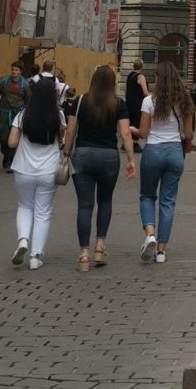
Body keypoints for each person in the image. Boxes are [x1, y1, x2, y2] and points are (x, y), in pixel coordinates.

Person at [69, 67, 134, 271]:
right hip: (108, 156)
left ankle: (83, 255)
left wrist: (65, 152)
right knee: (105, 200)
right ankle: (100, 246)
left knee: (85, 205)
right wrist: (131, 159)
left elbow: (70, 130)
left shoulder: (79, 101)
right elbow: (125, 134)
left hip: (83, 155)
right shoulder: (118, 104)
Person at [6, 59, 68, 269]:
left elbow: (11, 142)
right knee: (43, 213)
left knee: (24, 206)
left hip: (23, 168)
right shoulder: (58, 116)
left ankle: (23, 239)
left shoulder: (24, 115)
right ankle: (35, 256)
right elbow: (63, 140)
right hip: (48, 170)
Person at [135, 67, 192, 263]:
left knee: (147, 195)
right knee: (168, 201)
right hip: (175, 152)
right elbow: (189, 134)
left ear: (159, 80)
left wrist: (132, 130)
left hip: (153, 150)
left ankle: (150, 233)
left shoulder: (149, 101)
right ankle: (161, 250)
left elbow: (143, 133)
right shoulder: (184, 101)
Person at [0, 56, 28, 173]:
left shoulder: (25, 84)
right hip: (4, 113)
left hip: (17, 114)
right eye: (12, 69)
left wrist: (26, 116)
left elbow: (28, 101)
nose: (13, 72)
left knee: (14, 140)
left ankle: (11, 160)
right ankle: (6, 154)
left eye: (16, 70)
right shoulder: (4, 81)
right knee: (3, 138)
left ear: (21, 71)